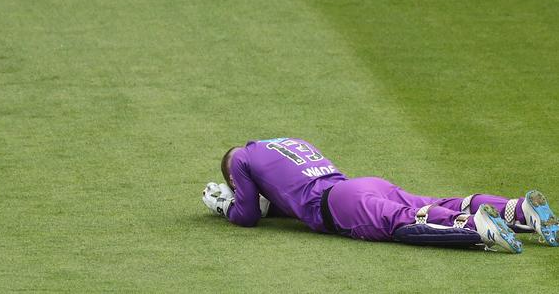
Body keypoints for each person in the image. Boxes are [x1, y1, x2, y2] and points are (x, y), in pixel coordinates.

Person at [201, 137, 559, 253]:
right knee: (434, 202)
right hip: (364, 184)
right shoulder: (281, 144)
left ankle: (477, 227)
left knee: (406, 223)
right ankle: (519, 210)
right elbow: (284, 194)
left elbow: (247, 214)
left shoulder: (241, 159)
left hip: (339, 206)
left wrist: (226, 206)